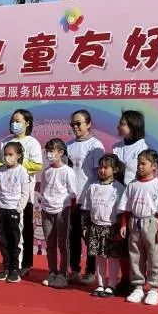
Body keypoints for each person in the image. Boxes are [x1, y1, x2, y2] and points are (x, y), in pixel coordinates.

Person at [118, 149, 158, 306]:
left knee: (155, 256)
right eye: (138, 164)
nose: (139, 167)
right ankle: (138, 287)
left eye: (143, 164)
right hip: (134, 223)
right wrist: (124, 224)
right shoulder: (132, 185)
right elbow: (126, 207)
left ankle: (154, 289)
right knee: (135, 256)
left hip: (152, 223)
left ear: (154, 166)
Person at [0, 109, 43, 277]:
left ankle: (24, 264)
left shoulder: (32, 142)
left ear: (27, 123)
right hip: (5, 197)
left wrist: (18, 164)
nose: (14, 124)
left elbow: (37, 165)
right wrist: (6, 163)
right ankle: (9, 265)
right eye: (12, 121)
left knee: (23, 232)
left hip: (23, 195)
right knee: (6, 234)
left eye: (18, 121)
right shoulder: (5, 141)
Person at [66, 109, 105, 285]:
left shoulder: (96, 146)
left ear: (88, 124)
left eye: (78, 123)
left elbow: (99, 174)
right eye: (72, 124)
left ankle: (90, 271)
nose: (75, 127)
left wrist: (95, 197)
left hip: (88, 199)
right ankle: (74, 270)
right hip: (71, 198)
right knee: (72, 236)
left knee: (89, 237)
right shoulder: (68, 145)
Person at [112, 110, 148, 294]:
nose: (119, 126)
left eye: (123, 123)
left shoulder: (143, 148)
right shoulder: (116, 147)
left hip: (135, 202)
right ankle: (125, 278)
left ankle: (138, 281)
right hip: (117, 201)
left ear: (134, 126)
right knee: (121, 243)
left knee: (136, 244)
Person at [40, 138, 77, 289]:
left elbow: (73, 194)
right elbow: (43, 190)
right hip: (46, 211)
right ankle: (52, 272)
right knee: (50, 244)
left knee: (62, 244)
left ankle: (63, 274)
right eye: (47, 151)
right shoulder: (46, 171)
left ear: (61, 153)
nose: (48, 154)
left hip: (62, 211)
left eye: (51, 151)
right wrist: (44, 206)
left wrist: (68, 210)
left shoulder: (68, 171)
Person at [0, 142, 30, 283]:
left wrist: (18, 209)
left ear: (18, 155)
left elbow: (25, 193)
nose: (7, 157)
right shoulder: (0, 171)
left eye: (11, 154)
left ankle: (15, 269)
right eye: (5, 154)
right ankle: (6, 268)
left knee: (16, 240)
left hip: (15, 210)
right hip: (2, 209)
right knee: (4, 241)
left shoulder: (22, 171)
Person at [88, 154, 125, 297]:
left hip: (111, 227)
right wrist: (86, 227)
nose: (102, 170)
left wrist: (121, 227)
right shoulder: (93, 186)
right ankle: (100, 284)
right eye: (100, 167)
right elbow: (87, 208)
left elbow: (121, 211)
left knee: (113, 257)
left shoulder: (118, 188)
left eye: (106, 167)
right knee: (99, 257)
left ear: (115, 170)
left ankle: (112, 285)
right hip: (95, 226)